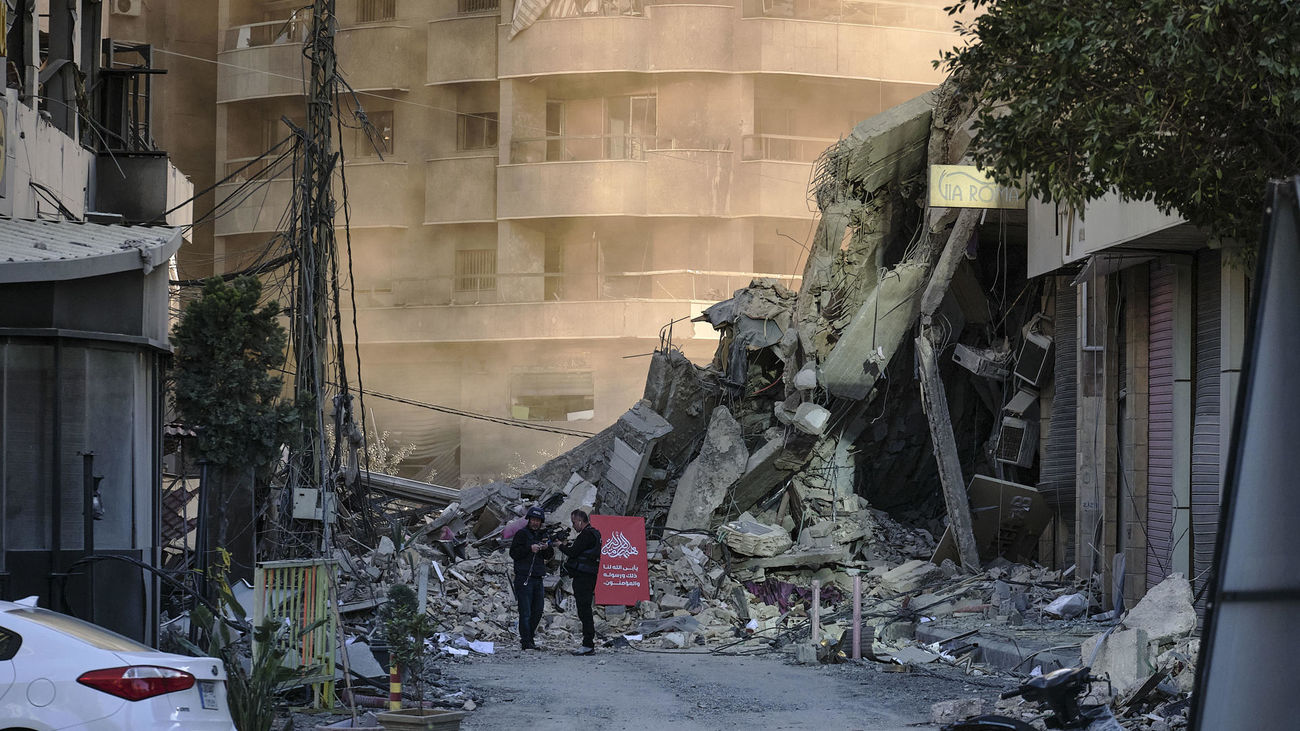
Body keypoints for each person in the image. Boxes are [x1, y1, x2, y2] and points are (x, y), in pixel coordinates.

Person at [509, 505, 553, 650]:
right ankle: (526, 641)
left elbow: (549, 556)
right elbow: (514, 553)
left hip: (538, 577)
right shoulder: (521, 534)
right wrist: (529, 549)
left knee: (538, 610)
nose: (535, 523)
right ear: (529, 520)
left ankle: (530, 637)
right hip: (524, 578)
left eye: (538, 520)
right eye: (533, 520)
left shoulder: (542, 535)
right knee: (525, 611)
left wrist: (547, 548)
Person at [557, 509, 601, 655]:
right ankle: (588, 643)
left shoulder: (587, 534)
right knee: (585, 609)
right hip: (588, 576)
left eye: (574, 522)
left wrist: (560, 545)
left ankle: (588, 644)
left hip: (584, 578)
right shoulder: (594, 533)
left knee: (584, 610)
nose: (573, 525)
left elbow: (573, 552)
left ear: (580, 521)